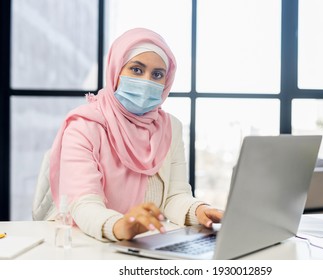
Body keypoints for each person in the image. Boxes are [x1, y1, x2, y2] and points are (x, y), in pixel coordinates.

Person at [49, 28, 223, 241]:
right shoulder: (84, 126)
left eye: (157, 75)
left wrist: (198, 211)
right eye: (136, 70)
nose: (146, 82)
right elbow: (83, 203)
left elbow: (174, 197)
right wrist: (120, 226)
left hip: (147, 242)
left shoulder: (170, 128)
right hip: (90, 243)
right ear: (116, 70)